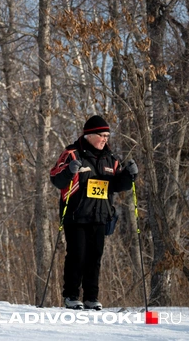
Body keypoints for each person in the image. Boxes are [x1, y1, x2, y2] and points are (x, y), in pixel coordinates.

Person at [50, 115, 138, 310]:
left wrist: (129, 175)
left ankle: (91, 297)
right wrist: (69, 171)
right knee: (77, 255)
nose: (105, 138)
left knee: (95, 256)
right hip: (76, 215)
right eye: (101, 134)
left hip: (100, 216)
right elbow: (56, 178)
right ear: (89, 135)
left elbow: (116, 185)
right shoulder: (72, 154)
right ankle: (71, 295)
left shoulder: (111, 158)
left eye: (107, 135)